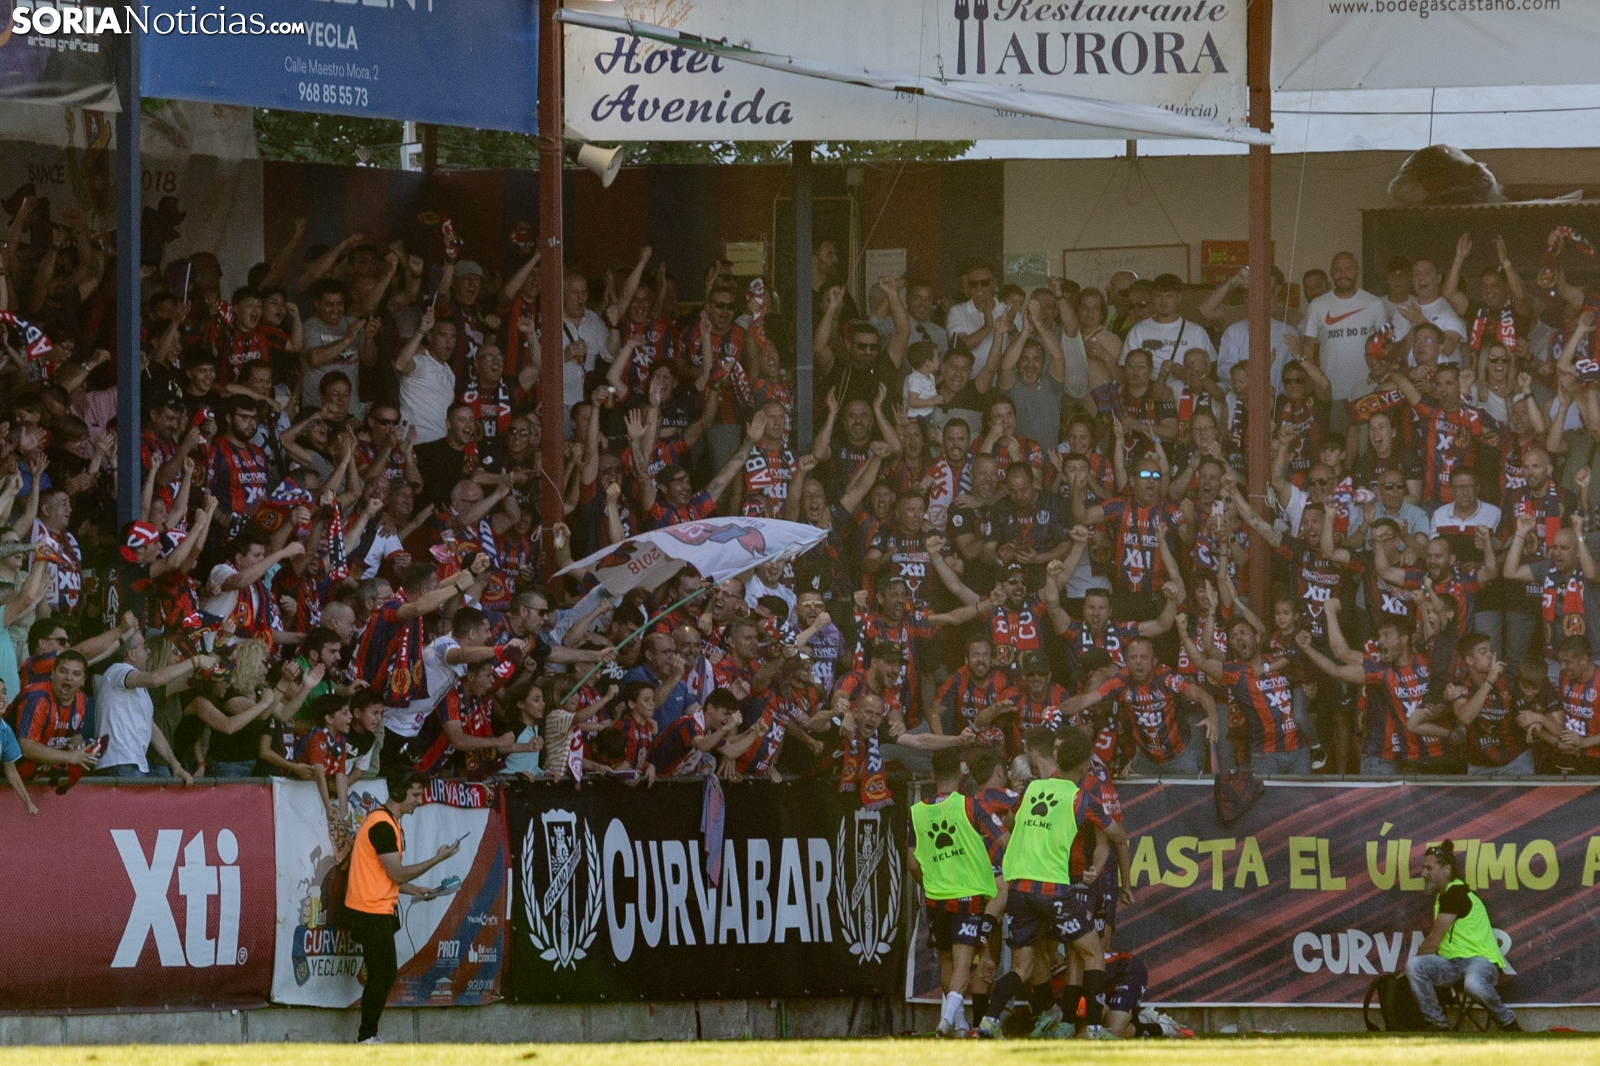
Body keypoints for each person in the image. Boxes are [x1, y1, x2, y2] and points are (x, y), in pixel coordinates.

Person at [977, 729, 1112, 1039]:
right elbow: (1115, 832)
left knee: (1024, 966)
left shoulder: (1033, 788)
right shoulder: (1079, 796)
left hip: (1021, 887)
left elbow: (1009, 823)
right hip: (1053, 886)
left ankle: (989, 1022)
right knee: (1091, 952)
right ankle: (1091, 1028)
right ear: (1084, 765)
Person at [345, 768, 461, 1044]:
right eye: (415, 795)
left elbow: (384, 875)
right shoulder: (382, 826)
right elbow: (396, 874)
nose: (419, 801)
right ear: (398, 793)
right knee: (384, 974)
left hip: (375, 909)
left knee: (382, 973)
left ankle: (368, 1035)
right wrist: (437, 859)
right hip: (369, 910)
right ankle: (366, 1037)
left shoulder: (389, 822)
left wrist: (415, 889)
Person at [908, 747, 996, 1038]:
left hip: (936, 897)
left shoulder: (917, 812)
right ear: (960, 774)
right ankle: (946, 1022)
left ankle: (958, 1024)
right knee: (963, 963)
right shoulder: (970, 806)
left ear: (932, 774)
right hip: (967, 895)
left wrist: (930, 883)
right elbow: (1002, 839)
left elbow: (912, 863)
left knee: (946, 959)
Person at [1406, 840, 1521, 1032]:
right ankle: (1437, 1023)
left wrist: (1404, 976)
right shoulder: (1444, 895)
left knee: (1473, 984)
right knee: (1414, 965)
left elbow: (1433, 941)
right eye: (1423, 868)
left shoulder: (1456, 894)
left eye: (1429, 868)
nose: (1423, 873)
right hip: (1451, 964)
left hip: (1481, 961)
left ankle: (1508, 1023)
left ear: (1446, 870)